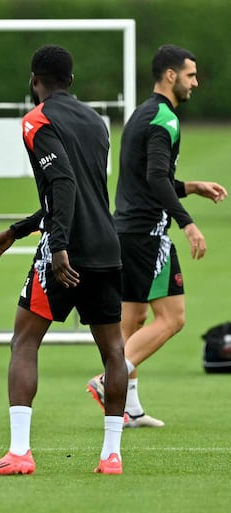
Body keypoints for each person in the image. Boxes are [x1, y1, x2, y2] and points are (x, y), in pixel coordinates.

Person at [0, 45, 127, 476]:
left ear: (33, 81)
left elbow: (62, 184)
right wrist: (17, 231)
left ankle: (19, 453)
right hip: (106, 248)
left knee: (23, 342)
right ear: (72, 82)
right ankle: (111, 456)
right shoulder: (97, 122)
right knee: (113, 351)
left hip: (66, 253)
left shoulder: (36, 119)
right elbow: (83, 192)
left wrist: (56, 246)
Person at [86, 45, 227, 427]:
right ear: (170, 75)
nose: (195, 83)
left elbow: (148, 178)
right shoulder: (165, 118)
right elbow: (154, 179)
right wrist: (187, 222)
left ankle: (128, 408)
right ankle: (107, 380)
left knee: (132, 319)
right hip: (149, 234)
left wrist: (191, 187)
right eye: (190, 75)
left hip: (125, 230)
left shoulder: (142, 114)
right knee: (173, 318)